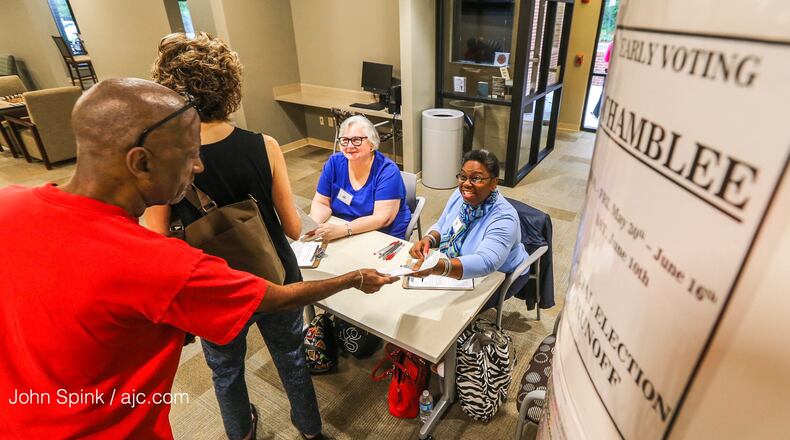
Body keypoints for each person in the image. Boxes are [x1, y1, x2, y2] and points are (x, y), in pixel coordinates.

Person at [0, 78, 398, 439]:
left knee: (225, 369)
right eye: (190, 155)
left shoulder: (8, 204)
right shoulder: (158, 265)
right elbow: (274, 297)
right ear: (141, 162)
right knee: (287, 356)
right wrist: (351, 278)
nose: (199, 166)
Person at [143, 32, 322, 440]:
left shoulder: (163, 157)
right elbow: (294, 228)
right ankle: (311, 431)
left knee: (226, 370)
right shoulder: (266, 145)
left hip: (214, 289)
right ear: (229, 87)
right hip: (276, 277)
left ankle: (241, 433)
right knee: (292, 358)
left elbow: (157, 241)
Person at [410, 149, 528, 311]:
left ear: (494, 183)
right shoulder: (460, 197)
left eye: (476, 178)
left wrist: (439, 267)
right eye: (463, 176)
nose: (466, 183)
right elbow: (442, 224)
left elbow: (487, 262)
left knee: (449, 310)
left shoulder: (504, 218)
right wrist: (428, 239)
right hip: (462, 262)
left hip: (499, 275)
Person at [309, 115, 411, 241]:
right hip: (341, 228)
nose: (349, 146)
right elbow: (321, 202)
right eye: (345, 140)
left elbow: (382, 218)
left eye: (356, 140)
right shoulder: (334, 163)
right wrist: (314, 225)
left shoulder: (388, 171)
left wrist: (343, 230)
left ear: (372, 143)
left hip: (381, 233)